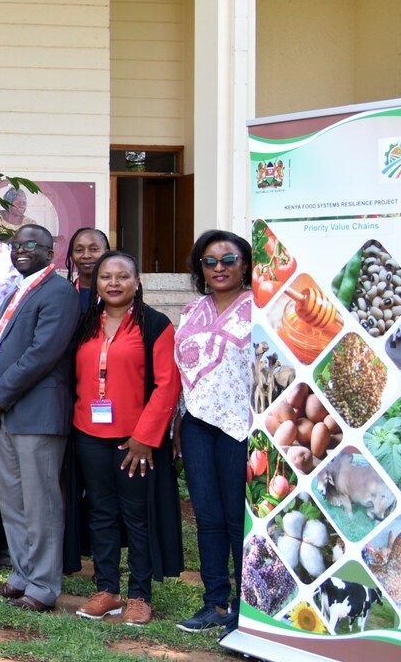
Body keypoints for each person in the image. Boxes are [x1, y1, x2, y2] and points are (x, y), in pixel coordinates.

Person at [69, 250, 182, 625]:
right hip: (89, 433)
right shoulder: (87, 323)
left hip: (135, 442)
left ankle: (139, 595)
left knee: (137, 517)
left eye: (122, 276)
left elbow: (167, 385)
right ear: (96, 283)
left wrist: (145, 437)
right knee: (101, 513)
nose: (113, 283)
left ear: (137, 282)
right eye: (106, 277)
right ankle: (107, 590)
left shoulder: (155, 324)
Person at [0, 224, 80, 612]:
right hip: (5, 413)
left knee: (41, 504)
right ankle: (22, 575)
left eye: (31, 244)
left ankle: (43, 586)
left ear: (50, 250)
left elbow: (43, 352)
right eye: (17, 245)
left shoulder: (58, 292)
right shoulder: (19, 290)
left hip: (34, 412)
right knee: (14, 502)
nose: (22, 250)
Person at [173, 229, 255, 634]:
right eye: (210, 261)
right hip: (197, 425)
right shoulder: (191, 310)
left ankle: (247, 606)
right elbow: (180, 373)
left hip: (243, 427)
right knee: (207, 517)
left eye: (228, 260)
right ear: (199, 268)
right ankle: (214, 603)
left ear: (245, 264)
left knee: (238, 519)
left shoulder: (261, 308)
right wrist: (176, 425)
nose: (219, 268)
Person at [67, 227, 111, 314]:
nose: (86, 255)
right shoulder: (64, 295)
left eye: (94, 249)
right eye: (79, 250)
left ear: (106, 253)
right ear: (72, 255)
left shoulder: (116, 293)